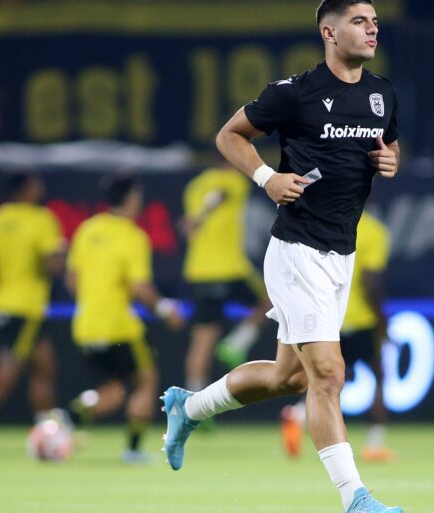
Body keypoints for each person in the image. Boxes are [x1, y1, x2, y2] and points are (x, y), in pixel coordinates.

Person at [161, 2, 402, 512]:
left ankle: (189, 407)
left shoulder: (382, 94)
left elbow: (388, 149)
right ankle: (356, 499)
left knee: (288, 377)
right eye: (360, 21)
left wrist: (389, 160)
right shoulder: (295, 92)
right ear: (329, 32)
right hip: (297, 250)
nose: (372, 29)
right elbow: (229, 135)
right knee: (329, 375)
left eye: (375, 21)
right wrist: (266, 177)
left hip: (340, 254)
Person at [66, 174, 183, 463]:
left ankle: (66, 419)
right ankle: (132, 449)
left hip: (85, 325)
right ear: (130, 198)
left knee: (112, 391)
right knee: (146, 380)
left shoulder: (87, 229)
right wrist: (165, 310)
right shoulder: (133, 236)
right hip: (119, 325)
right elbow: (141, 287)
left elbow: (71, 279)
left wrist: (94, 301)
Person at [281, 209, 394, 462]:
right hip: (359, 319)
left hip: (327, 317)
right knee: (378, 375)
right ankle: (374, 444)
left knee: (326, 378)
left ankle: (298, 413)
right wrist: (382, 321)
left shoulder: (325, 220)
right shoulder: (374, 231)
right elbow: (371, 281)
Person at [0, 172, 64, 450]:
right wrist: (60, 255)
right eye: (36, 185)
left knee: (44, 368)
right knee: (5, 375)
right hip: (26, 308)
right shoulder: (41, 219)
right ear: (25, 190)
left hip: (3, 306)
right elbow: (52, 266)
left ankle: (49, 434)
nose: (41, 188)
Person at [180, 160, 273, 401]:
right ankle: (237, 343)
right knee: (274, 299)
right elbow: (219, 195)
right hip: (230, 268)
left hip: (199, 271)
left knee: (202, 340)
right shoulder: (234, 180)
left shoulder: (194, 185)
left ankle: (193, 402)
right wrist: (201, 215)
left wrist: (196, 219)